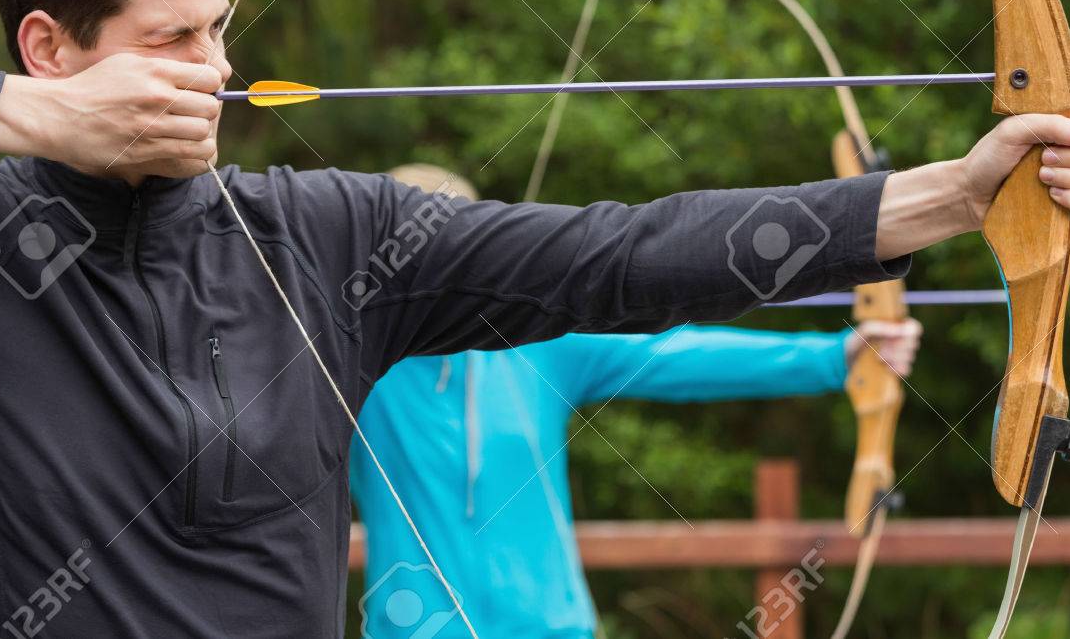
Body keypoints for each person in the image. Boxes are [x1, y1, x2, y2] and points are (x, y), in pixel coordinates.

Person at [0, 0, 1070, 638]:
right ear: (47, 49)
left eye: (220, 29)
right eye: (174, 40)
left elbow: (625, 253)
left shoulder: (327, 235)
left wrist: (949, 195)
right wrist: (30, 120)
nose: (218, 69)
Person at [351, 165, 922, 639]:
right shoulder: (351, 364)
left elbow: (674, 354)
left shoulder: (535, 344)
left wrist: (838, 357)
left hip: (552, 628)